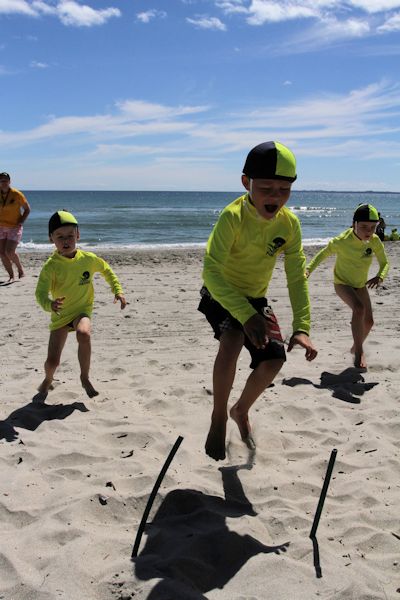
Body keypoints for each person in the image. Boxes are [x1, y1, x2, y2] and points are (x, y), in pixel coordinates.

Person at [198, 141, 318, 461]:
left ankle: (240, 410)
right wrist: (244, 314)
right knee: (235, 336)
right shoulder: (232, 217)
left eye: (284, 189)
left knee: (274, 360)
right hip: (219, 291)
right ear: (246, 183)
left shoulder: (289, 225)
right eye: (266, 188)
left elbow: (296, 277)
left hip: (254, 298)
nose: (275, 197)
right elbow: (211, 271)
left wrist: (302, 327)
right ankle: (219, 416)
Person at [35, 210, 126, 402]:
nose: (66, 240)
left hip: (81, 311)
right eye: (60, 237)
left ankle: (84, 377)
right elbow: (40, 294)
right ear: (51, 238)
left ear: (78, 235)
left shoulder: (88, 259)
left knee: (84, 334)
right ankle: (47, 379)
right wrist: (49, 305)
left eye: (70, 235)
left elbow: (107, 270)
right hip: (60, 316)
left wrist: (117, 290)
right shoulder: (51, 266)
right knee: (53, 361)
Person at [306, 203, 389, 370]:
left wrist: (380, 276)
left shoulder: (374, 241)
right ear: (354, 224)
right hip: (342, 284)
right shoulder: (341, 241)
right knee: (358, 309)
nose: (368, 231)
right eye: (364, 227)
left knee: (370, 322)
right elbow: (322, 254)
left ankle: (355, 346)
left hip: (359, 285)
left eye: (373, 227)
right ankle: (359, 352)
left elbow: (385, 262)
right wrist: (308, 269)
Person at [0, 171, 31, 281]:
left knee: (9, 252)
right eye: (1, 181)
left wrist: (21, 221)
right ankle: (11, 276)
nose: (3, 183)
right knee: (2, 254)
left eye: (5, 181)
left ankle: (20, 270)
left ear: (9, 182)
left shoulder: (17, 194)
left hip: (14, 227)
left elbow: (27, 209)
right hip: (1, 227)